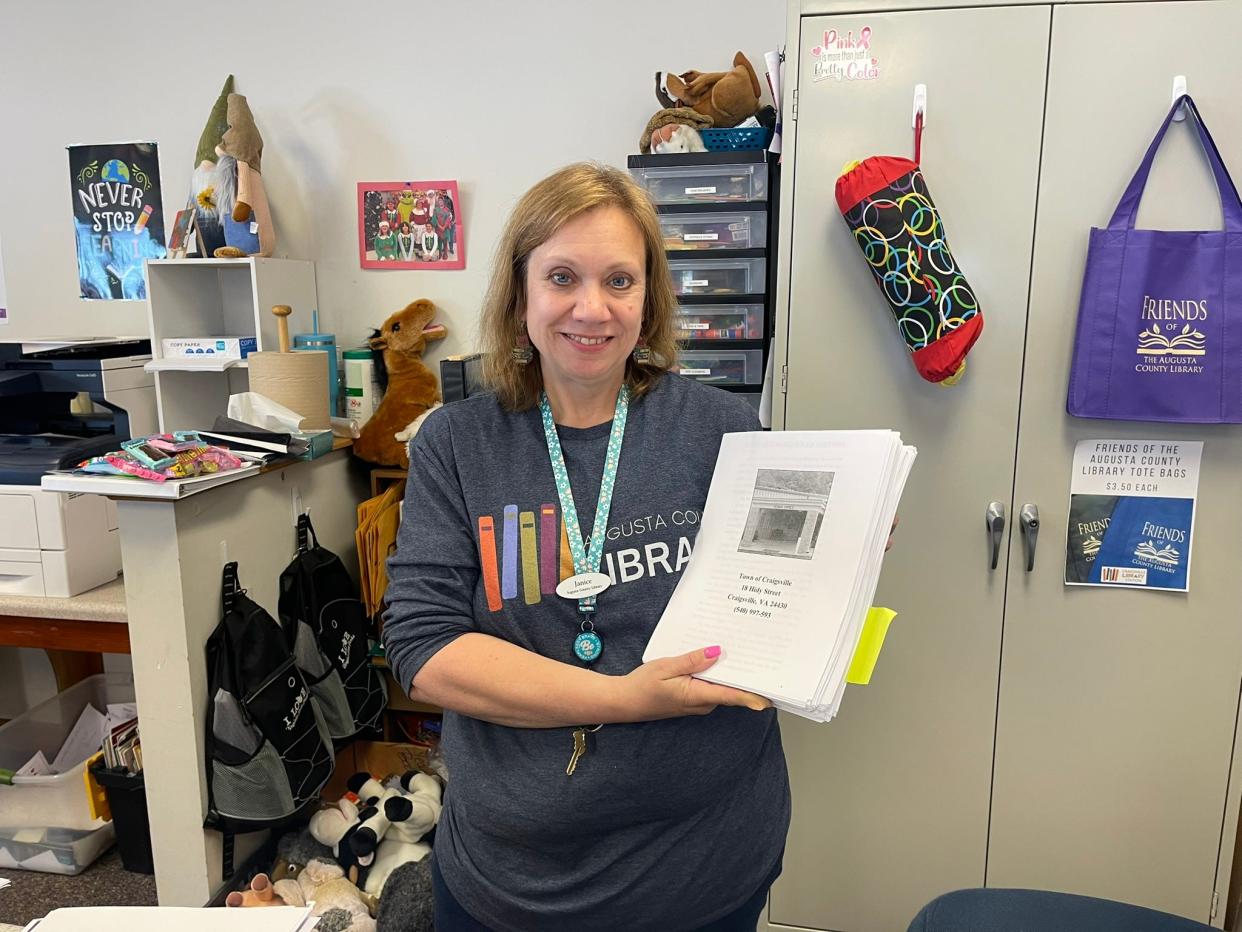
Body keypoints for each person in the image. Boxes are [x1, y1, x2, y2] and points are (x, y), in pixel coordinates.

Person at [382, 162, 789, 931]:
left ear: (650, 297)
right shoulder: (456, 444)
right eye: (562, 276)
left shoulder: (721, 431)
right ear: (521, 292)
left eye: (620, 281)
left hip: (704, 869)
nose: (592, 308)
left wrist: (838, 556)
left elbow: (771, 613)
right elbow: (424, 645)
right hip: (512, 888)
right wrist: (623, 700)